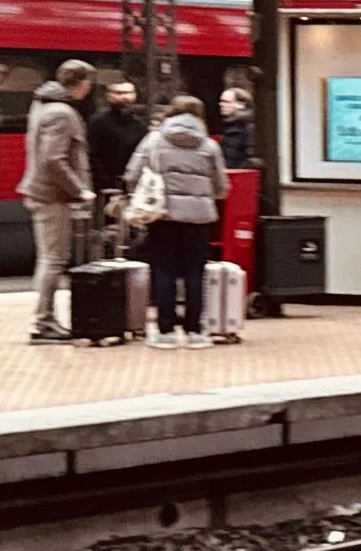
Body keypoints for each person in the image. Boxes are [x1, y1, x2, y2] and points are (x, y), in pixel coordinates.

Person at [125, 94, 229, 346]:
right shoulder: (209, 145)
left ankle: (165, 331)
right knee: (195, 272)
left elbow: (132, 175)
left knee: (164, 270)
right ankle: (195, 331)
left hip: (163, 215)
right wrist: (204, 197)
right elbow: (221, 186)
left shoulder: (154, 140)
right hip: (199, 218)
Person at [22, 60, 96, 343]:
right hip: (51, 196)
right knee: (54, 260)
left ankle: (45, 319)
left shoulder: (42, 105)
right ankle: (43, 322)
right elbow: (53, 159)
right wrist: (80, 190)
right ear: (83, 84)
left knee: (49, 259)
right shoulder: (62, 113)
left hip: (43, 193)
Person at [87, 78, 149, 212]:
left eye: (128, 93)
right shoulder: (97, 122)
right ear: (109, 96)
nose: (124, 97)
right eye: (118, 93)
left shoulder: (140, 125)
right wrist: (105, 182)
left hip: (133, 188)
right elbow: (92, 154)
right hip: (104, 189)